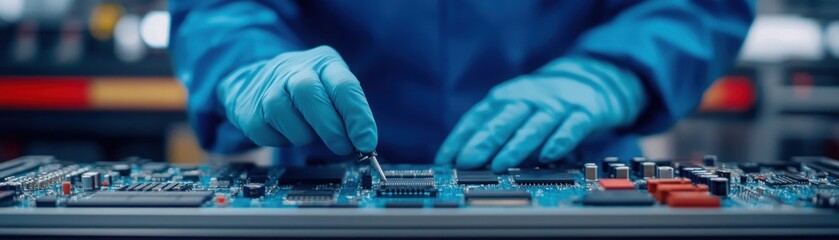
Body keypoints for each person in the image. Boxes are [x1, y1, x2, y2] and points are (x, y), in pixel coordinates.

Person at [168, 0, 754, 172]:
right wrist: (249, 63)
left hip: (571, 167)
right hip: (326, 180)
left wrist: (614, 71)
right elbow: (223, 7)